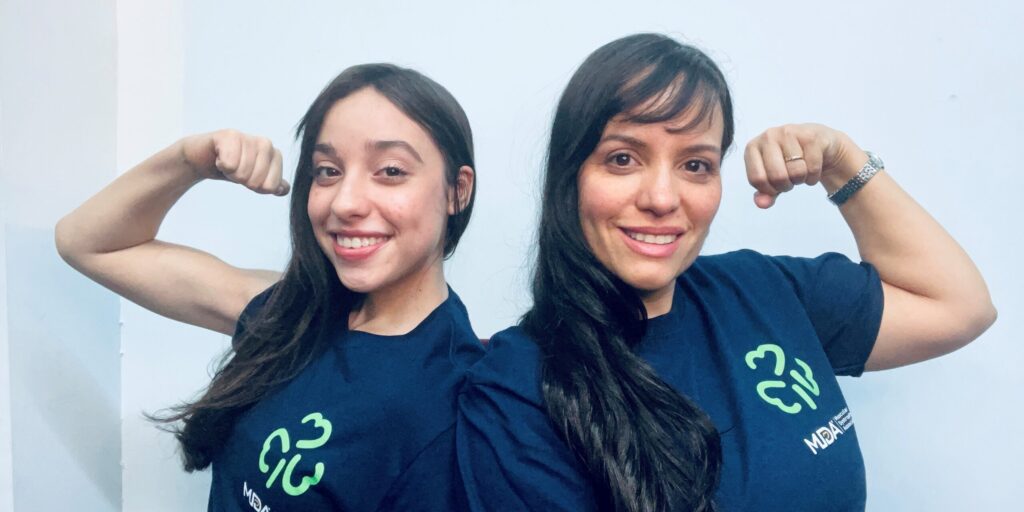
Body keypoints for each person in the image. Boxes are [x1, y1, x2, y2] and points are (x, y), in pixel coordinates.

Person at [456, 33, 996, 512]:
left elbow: (960, 307)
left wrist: (843, 164)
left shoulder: (762, 290)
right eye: (623, 159)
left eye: (695, 165)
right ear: (570, 177)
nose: (663, 198)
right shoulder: (515, 393)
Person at [56, 64, 483, 511]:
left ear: (458, 191)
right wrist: (191, 160)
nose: (345, 202)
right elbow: (85, 244)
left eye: (391, 170)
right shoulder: (292, 313)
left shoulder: (453, 403)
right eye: (328, 170)